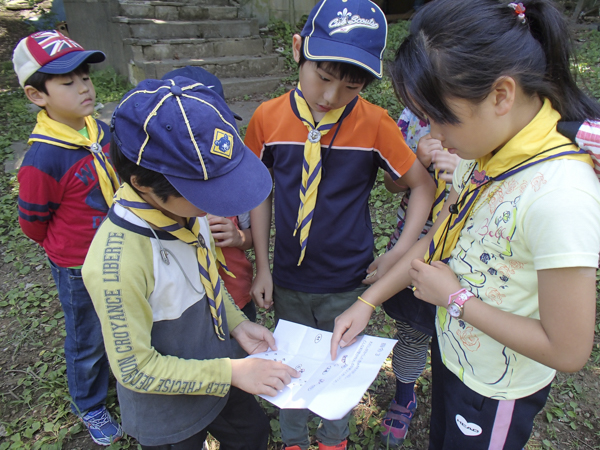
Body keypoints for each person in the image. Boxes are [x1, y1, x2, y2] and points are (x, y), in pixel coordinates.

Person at [330, 0, 600, 448]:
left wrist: (455, 299)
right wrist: (369, 302)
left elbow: (568, 349)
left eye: (439, 117)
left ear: (500, 95)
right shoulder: (486, 155)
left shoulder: (560, 197)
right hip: (459, 356)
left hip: (496, 389)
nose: (432, 135)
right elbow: (436, 238)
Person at [244, 0, 435, 448]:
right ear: (298, 50)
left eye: (349, 87)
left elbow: (421, 186)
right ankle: (293, 438)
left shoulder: (375, 124)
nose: (330, 96)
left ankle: (335, 439)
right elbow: (259, 191)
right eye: (323, 78)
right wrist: (263, 267)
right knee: (285, 364)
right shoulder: (267, 118)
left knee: (337, 369)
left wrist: (398, 255)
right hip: (288, 277)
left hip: (349, 282)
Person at [82, 77, 298, 449]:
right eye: (205, 192)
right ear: (144, 185)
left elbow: (207, 276)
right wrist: (230, 371)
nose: (217, 203)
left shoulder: (187, 211)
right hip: (169, 410)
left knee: (252, 433)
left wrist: (236, 325)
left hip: (222, 372)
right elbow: (135, 369)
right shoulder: (116, 264)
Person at [13, 30, 122, 445]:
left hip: (118, 251)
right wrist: (68, 249)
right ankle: (89, 402)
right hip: (78, 265)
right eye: (67, 82)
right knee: (86, 336)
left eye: (86, 77)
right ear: (36, 95)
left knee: (120, 318)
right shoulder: (43, 158)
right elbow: (32, 224)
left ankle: (119, 376)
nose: (83, 88)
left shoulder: (101, 131)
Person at [377, 109, 460, 447]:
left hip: (464, 262)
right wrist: (416, 159)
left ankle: (453, 401)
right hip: (413, 251)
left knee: (455, 342)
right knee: (413, 332)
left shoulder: (483, 117)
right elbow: (391, 183)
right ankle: (404, 395)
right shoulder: (410, 121)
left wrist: (466, 173)